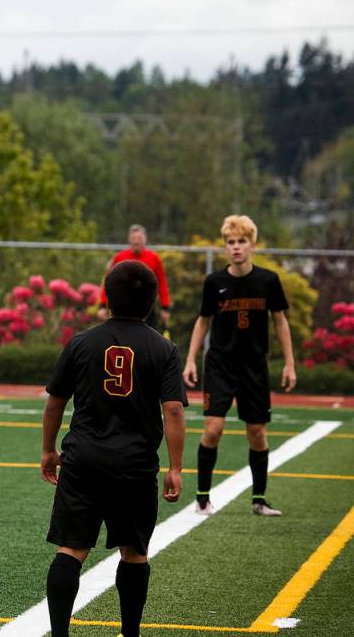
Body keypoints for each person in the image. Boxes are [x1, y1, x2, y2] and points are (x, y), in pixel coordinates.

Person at [41, 260, 186, 637]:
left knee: (70, 550)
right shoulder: (164, 349)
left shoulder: (81, 342)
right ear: (152, 302)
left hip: (83, 461)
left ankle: (59, 635)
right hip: (135, 466)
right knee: (134, 553)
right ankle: (130, 633)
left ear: (106, 297)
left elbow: (55, 401)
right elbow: (172, 410)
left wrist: (48, 450)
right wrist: (175, 467)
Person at [183, 214, 297, 517]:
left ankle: (259, 500)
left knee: (257, 432)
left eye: (241, 242)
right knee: (214, 428)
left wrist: (289, 363)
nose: (236, 247)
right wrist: (190, 359)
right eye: (231, 242)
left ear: (252, 245)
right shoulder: (214, 283)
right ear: (225, 248)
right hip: (220, 363)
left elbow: (281, 322)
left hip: (255, 366)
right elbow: (203, 321)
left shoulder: (268, 281)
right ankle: (203, 498)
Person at [97, 224, 171, 332]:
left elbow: (162, 283)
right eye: (133, 238)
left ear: (145, 239)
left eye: (139, 238)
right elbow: (109, 282)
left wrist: (165, 307)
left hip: (147, 309)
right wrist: (103, 305)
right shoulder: (120, 257)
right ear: (129, 240)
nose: (136, 241)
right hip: (122, 310)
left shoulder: (154, 258)